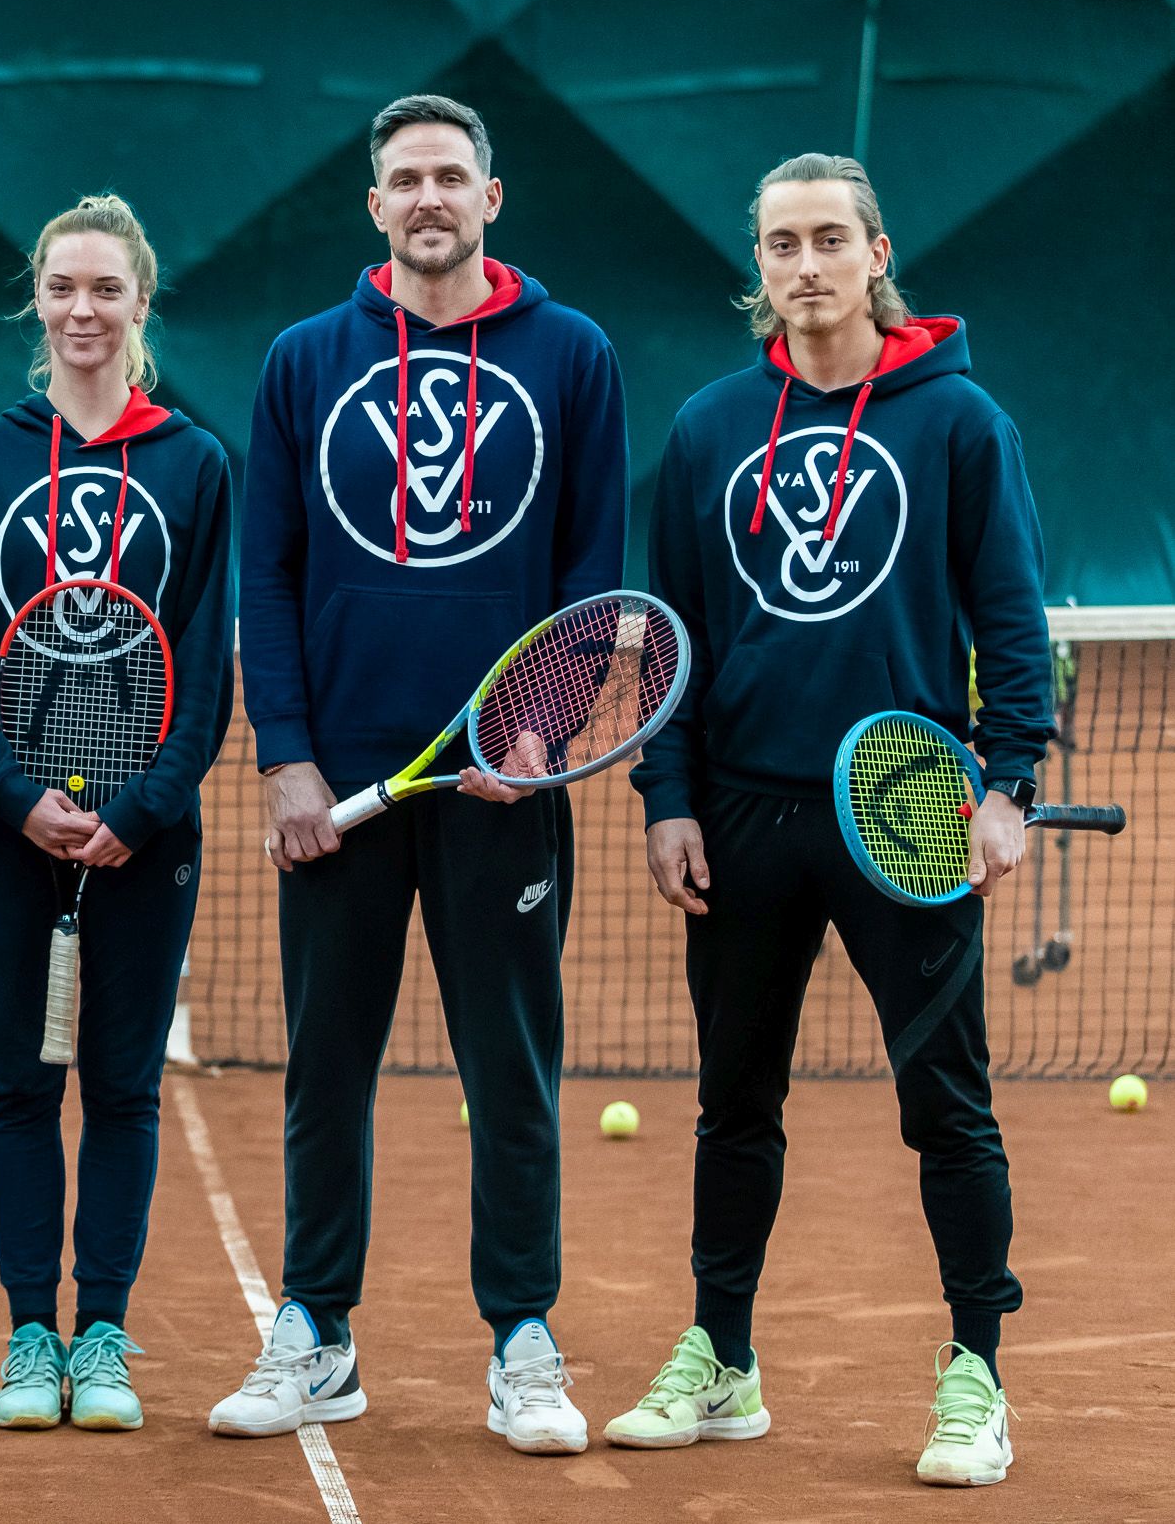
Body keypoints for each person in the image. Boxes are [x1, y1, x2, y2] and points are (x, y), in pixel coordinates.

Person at [612, 153, 1045, 1488]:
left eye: (826, 240)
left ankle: (976, 1372)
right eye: (779, 244)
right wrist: (670, 797)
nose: (804, 265)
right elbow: (671, 638)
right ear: (760, 265)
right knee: (733, 1102)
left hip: (905, 812)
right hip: (743, 815)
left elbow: (1012, 622)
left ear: (876, 252)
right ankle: (722, 1358)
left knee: (947, 1106)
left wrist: (1007, 784)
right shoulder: (706, 429)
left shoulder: (960, 423)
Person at [218, 94, 627, 1452]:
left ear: (492, 198)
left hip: (500, 789)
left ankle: (523, 1337)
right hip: (339, 791)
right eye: (407, 178)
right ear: (375, 205)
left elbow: (593, 578)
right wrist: (285, 756)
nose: (431, 195)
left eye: (453, 174)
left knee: (510, 1070)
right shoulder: (301, 360)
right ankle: (317, 1331)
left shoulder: (572, 356)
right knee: (324, 1066)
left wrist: (541, 730)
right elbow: (265, 576)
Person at [0, 194, 233, 1432]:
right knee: (17, 1084)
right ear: (36, 300)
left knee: (122, 1086)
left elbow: (206, 667)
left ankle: (100, 1326)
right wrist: (4, 787)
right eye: (62, 287)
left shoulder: (194, 464)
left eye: (105, 288)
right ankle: (26, 1332)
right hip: (3, 833)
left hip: (142, 840)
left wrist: (145, 807)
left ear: (140, 302)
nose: (82, 309)